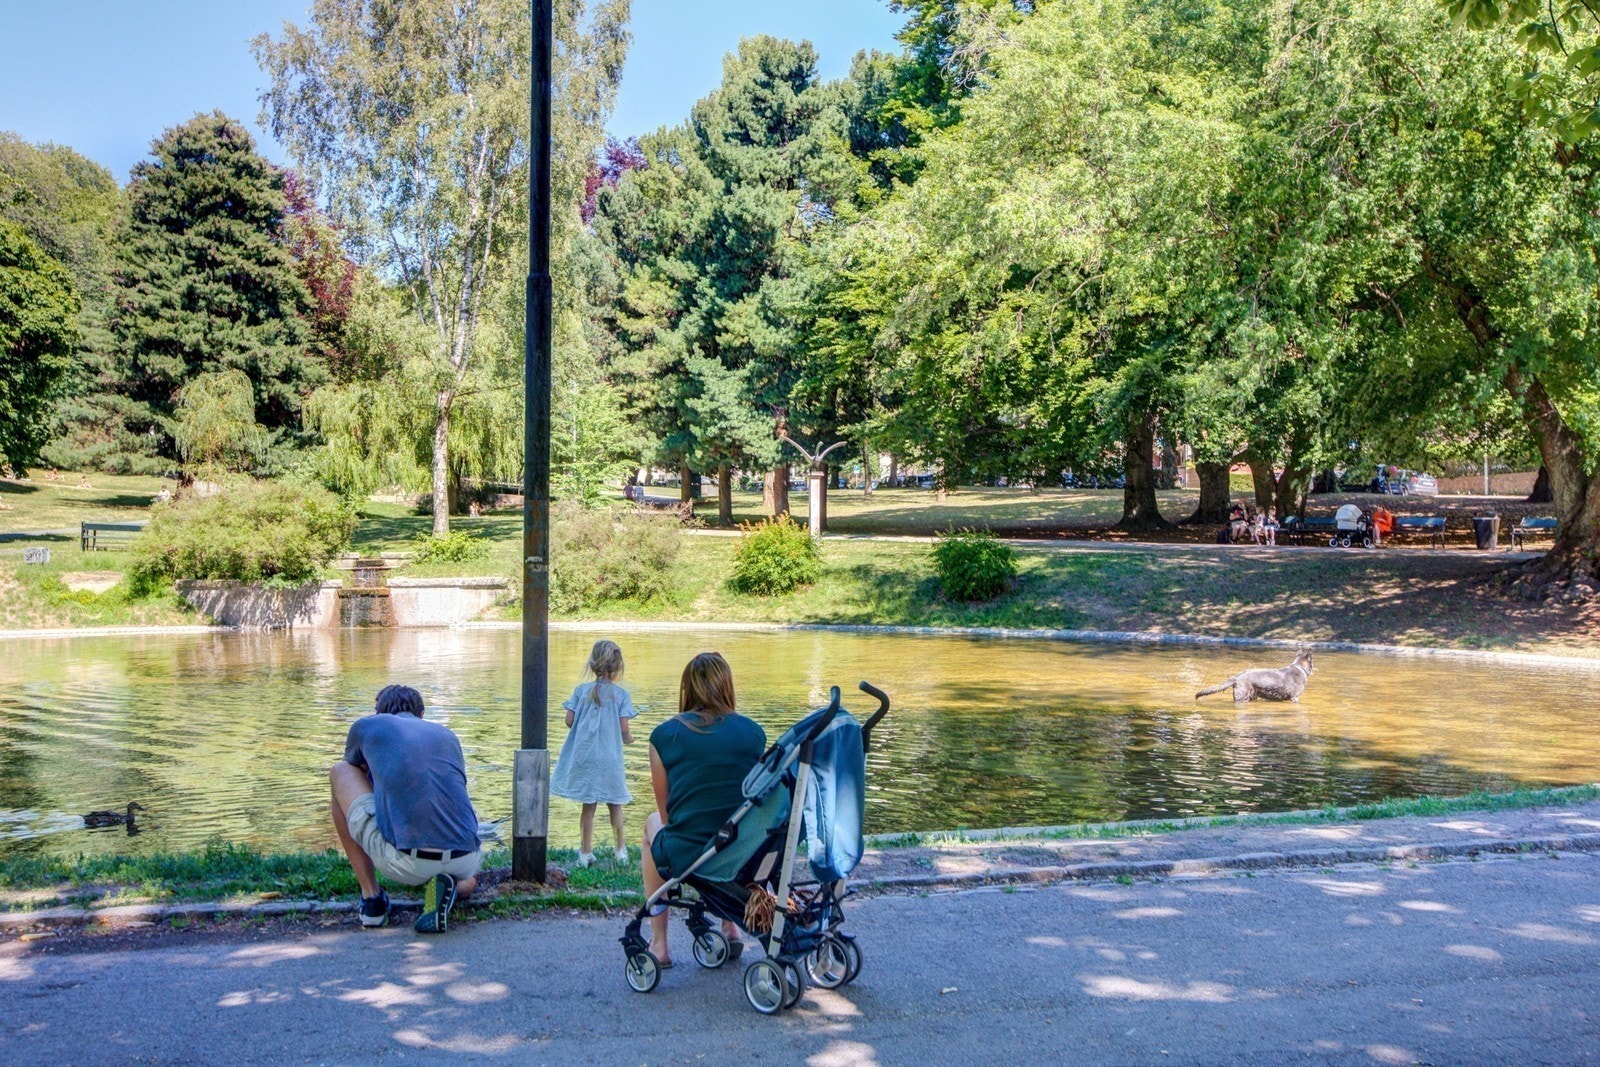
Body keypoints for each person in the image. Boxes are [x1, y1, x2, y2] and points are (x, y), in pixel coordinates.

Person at [641, 652, 766, 968]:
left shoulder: (664, 736)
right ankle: (730, 926)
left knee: (651, 825)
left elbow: (668, 817)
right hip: (742, 851)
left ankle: (659, 944)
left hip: (691, 852)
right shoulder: (754, 734)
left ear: (687, 689)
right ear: (728, 686)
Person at [331, 685, 481, 933]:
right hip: (467, 857)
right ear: (421, 713)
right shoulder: (447, 735)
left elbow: (358, 772)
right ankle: (455, 886)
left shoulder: (366, 726)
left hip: (408, 863)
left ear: (377, 712)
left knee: (340, 773)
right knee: (460, 871)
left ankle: (372, 901)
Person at [551, 639, 637, 867]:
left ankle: (585, 853)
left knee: (588, 806)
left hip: (586, 756)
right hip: (610, 758)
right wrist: (629, 739)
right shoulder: (621, 695)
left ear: (592, 665)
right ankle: (620, 851)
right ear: (618, 668)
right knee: (615, 803)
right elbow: (624, 729)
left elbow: (569, 721)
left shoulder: (580, 691)